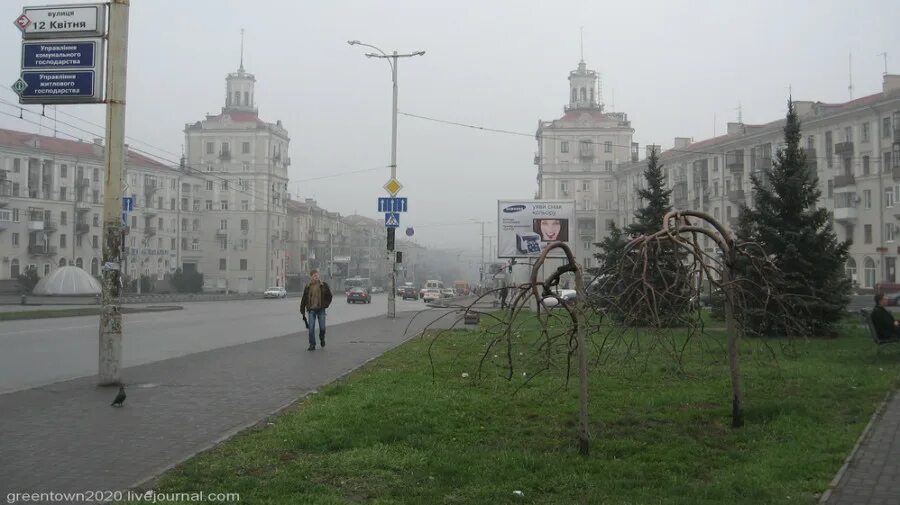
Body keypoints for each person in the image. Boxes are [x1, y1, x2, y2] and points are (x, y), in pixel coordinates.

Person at [300, 269, 333, 351]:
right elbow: (304, 298)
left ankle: (322, 338)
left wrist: (326, 305)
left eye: (317, 275)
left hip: (321, 310)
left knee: (322, 328)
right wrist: (302, 310)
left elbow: (330, 296)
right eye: (314, 275)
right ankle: (312, 344)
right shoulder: (308, 286)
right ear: (311, 277)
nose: (316, 277)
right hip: (311, 310)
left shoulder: (324, 285)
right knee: (311, 329)